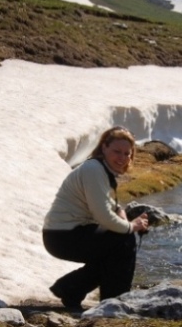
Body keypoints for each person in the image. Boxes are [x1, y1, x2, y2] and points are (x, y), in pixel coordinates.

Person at [42, 126, 149, 310]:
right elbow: (104, 215)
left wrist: (125, 220)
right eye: (117, 151)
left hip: (64, 234)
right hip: (63, 236)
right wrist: (131, 227)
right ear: (104, 147)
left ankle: (70, 289)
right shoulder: (94, 169)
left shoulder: (103, 170)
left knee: (113, 249)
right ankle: (112, 305)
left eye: (127, 154)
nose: (122, 158)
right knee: (123, 242)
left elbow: (113, 207)